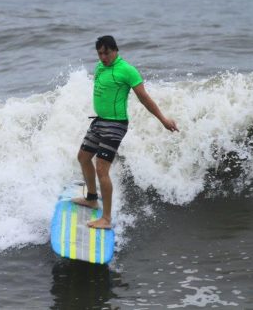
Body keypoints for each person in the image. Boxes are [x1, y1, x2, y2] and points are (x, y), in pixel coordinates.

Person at [73, 35, 179, 229]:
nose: (103, 57)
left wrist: (163, 120)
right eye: (100, 53)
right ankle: (91, 198)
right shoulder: (99, 68)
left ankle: (106, 219)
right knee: (83, 157)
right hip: (99, 122)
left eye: (106, 53)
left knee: (102, 168)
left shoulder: (128, 71)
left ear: (115, 50)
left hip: (116, 125)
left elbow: (145, 99)